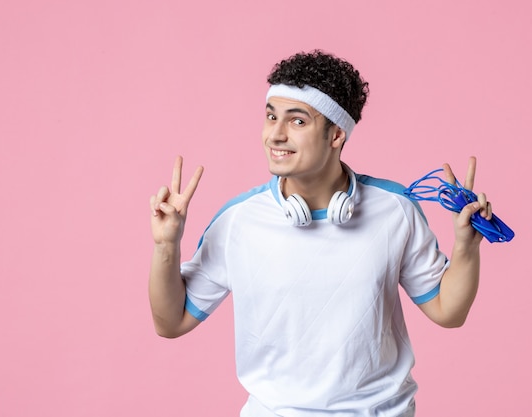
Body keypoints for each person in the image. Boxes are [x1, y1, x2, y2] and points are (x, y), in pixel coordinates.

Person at [148, 50, 492, 417]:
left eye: (297, 121)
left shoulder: (396, 210)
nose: (275, 135)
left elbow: (448, 312)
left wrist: (466, 247)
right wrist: (166, 246)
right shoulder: (239, 221)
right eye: (270, 117)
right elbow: (170, 323)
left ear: (336, 135)